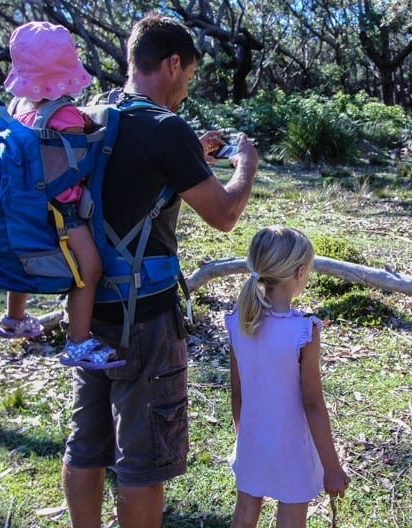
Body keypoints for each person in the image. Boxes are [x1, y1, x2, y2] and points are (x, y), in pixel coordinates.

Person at [60, 13, 259, 528]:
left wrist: (193, 151)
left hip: (86, 312)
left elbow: (127, 172)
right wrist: (245, 166)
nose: (185, 90)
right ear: (172, 64)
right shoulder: (167, 128)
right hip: (145, 320)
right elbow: (223, 214)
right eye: (188, 77)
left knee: (86, 444)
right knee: (143, 459)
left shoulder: (90, 115)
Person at [0, 21, 123, 369]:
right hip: (61, 208)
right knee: (90, 269)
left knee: (23, 260)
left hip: (23, 206)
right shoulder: (65, 114)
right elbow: (80, 151)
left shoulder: (16, 108)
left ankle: (14, 317)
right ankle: (78, 342)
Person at [225, 226, 349, 528]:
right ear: (300, 272)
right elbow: (313, 404)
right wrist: (332, 468)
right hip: (293, 447)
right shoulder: (304, 332)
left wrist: (245, 437)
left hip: (252, 439)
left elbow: (237, 393)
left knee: (243, 517)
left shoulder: (237, 323)